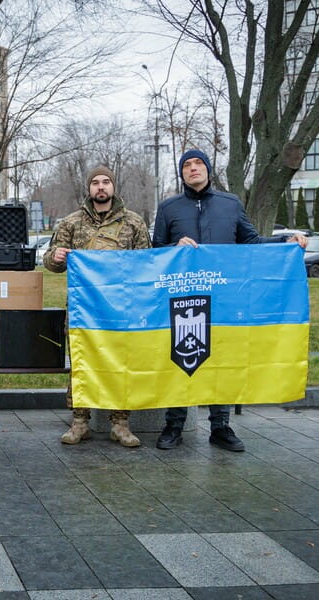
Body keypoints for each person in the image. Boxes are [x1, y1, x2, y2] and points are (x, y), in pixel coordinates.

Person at [152, 149, 307, 452]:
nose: (193, 168)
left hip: (224, 298)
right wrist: (174, 245)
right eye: (186, 165)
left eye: (198, 163)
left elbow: (250, 241)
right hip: (183, 298)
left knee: (221, 359)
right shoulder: (169, 207)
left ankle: (220, 427)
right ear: (181, 173)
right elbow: (155, 251)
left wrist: (284, 242)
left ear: (208, 169)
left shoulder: (230, 203)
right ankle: (174, 424)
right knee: (181, 359)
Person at [43, 165, 152, 447]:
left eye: (106, 182)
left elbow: (146, 266)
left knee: (121, 363)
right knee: (81, 363)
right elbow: (50, 262)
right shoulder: (72, 222)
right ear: (89, 188)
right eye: (95, 183)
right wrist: (56, 257)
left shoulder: (134, 223)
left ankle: (120, 423)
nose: (101, 187)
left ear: (113, 187)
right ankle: (80, 422)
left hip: (120, 310)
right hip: (82, 309)